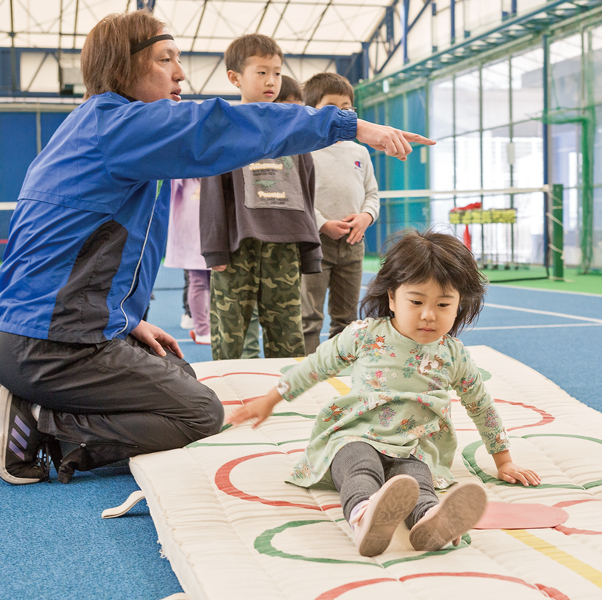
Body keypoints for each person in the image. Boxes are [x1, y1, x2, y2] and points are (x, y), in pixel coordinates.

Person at [0, 10, 433, 486]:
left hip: (40, 333)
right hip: (52, 346)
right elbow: (222, 124)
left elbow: (56, 254)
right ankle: (43, 426)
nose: (181, 73)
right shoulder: (122, 127)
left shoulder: (90, 128)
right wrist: (349, 126)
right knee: (199, 415)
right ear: (123, 69)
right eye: (167, 59)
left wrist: (128, 322)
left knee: (180, 375)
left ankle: (41, 403)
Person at [229, 230, 540, 557]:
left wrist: (503, 460)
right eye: (416, 301)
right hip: (355, 436)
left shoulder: (454, 355)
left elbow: (481, 405)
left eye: (443, 304)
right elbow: (316, 366)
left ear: (460, 304)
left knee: (418, 481)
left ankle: (431, 521)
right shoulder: (365, 335)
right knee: (359, 469)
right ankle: (364, 516)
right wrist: (271, 398)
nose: (428, 314)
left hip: (413, 445)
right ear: (392, 298)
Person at [200, 34, 322, 360]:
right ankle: (225, 402)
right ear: (235, 77)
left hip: (286, 247)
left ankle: (285, 404)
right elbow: (213, 193)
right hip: (239, 248)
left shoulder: (295, 133)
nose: (272, 81)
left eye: (278, 73)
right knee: (229, 338)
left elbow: (305, 191)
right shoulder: (225, 127)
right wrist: (215, 250)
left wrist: (311, 251)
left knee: (288, 339)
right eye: (262, 72)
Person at [300, 72, 380, 354]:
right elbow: (299, 198)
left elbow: (372, 194)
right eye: (331, 107)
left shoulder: (360, 152)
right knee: (309, 318)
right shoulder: (303, 150)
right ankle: (306, 371)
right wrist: (322, 224)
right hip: (315, 245)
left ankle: (341, 369)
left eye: (347, 108)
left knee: (346, 320)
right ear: (312, 111)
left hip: (352, 245)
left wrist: (365, 217)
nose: (340, 114)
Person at [164, 179, 211, 344]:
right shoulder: (184, 172)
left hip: (209, 225)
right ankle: (203, 330)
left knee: (210, 282)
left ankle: (207, 328)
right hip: (194, 227)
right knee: (198, 281)